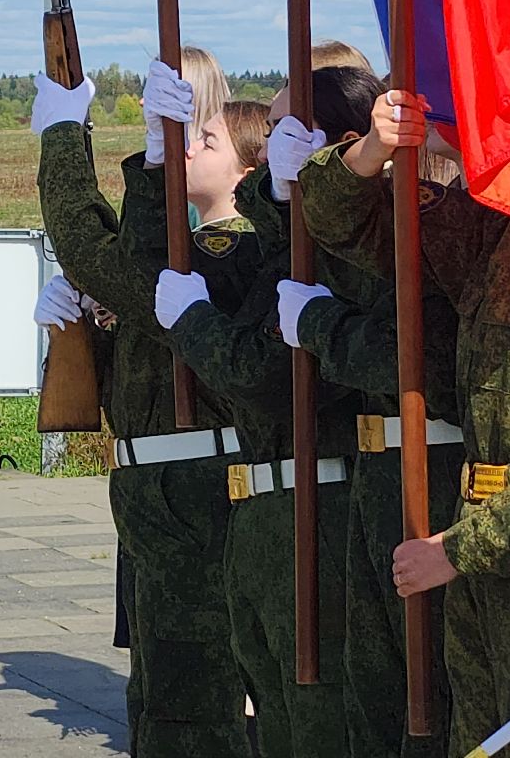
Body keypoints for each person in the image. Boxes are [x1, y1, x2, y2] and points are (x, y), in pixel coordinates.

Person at [295, 92, 510, 757]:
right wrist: (370, 150)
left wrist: (457, 549)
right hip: (476, 551)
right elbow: (347, 221)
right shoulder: (497, 226)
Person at [150, 69, 386, 758]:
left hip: (316, 509)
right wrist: (151, 173)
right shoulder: (289, 242)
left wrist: (193, 323)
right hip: (260, 513)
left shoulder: (347, 250)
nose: (276, 142)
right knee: (274, 712)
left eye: (291, 129)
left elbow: (263, 377)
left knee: (317, 719)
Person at [31, 48, 252, 757]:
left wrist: (64, 136)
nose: (189, 145)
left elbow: (112, 262)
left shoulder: (231, 251)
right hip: (154, 484)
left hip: (196, 486)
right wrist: (86, 331)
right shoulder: (191, 251)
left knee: (192, 702)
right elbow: (129, 301)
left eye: (205, 135)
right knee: (161, 693)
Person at [269, 68, 468, 758]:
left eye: (294, 131)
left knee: (422, 693)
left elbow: (410, 354)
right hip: (377, 469)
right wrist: (282, 200)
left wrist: (321, 325)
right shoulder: (378, 218)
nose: (276, 144)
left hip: (432, 464)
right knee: (373, 688)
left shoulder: (435, 218)